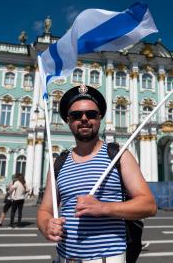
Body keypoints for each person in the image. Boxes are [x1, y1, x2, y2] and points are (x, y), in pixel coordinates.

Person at [37, 84, 157, 262]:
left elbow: (148, 205)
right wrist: (46, 224)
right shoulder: (59, 163)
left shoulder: (119, 156)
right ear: (68, 121)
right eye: (76, 115)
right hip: (64, 258)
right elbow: (45, 210)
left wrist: (104, 208)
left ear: (99, 118)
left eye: (91, 114)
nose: (84, 119)